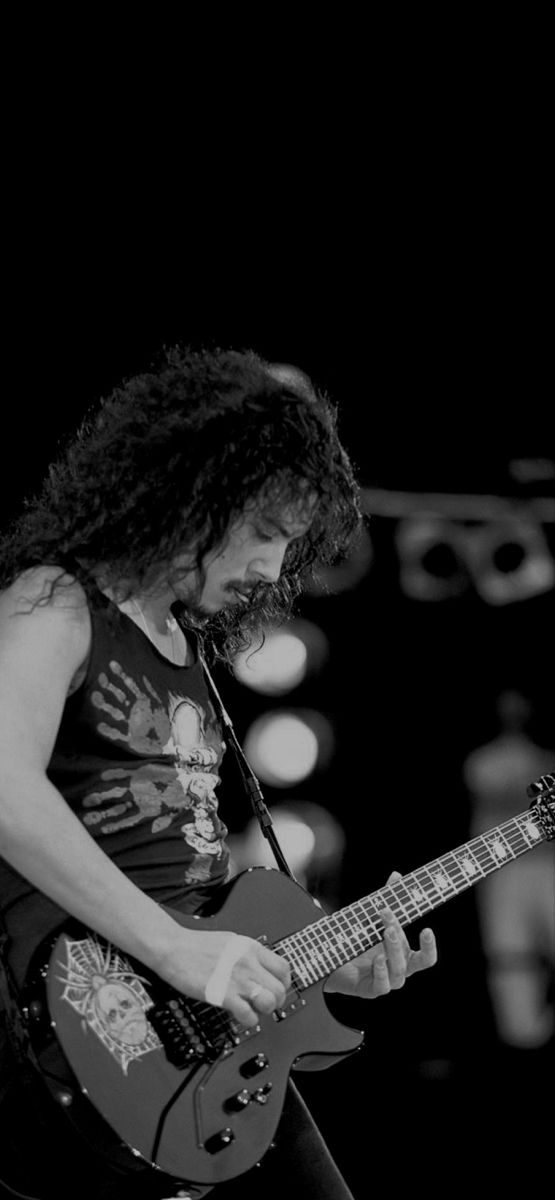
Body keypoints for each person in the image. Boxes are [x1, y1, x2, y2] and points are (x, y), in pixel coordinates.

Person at [0, 345, 437, 1200]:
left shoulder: (188, 647)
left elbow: (194, 891)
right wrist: (178, 949)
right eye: (268, 532)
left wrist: (309, 966)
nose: (275, 570)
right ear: (195, 493)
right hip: (89, 1034)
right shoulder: (55, 602)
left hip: (203, 1041)